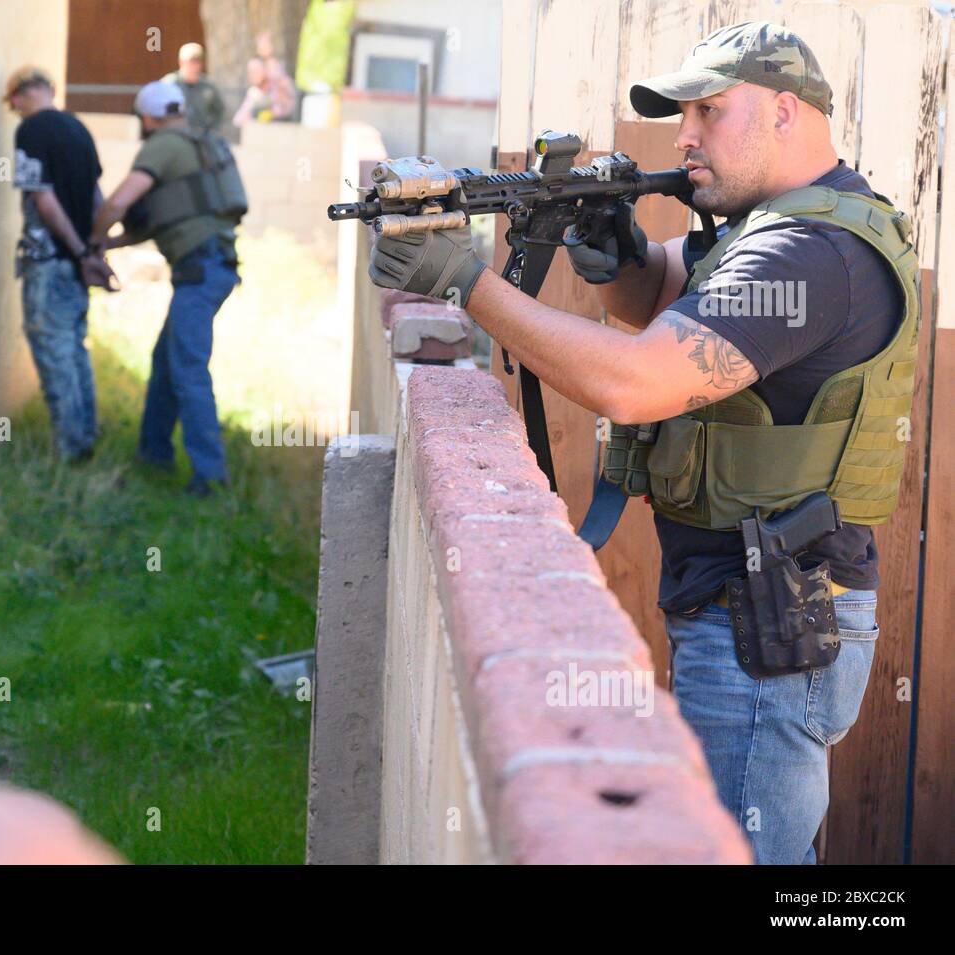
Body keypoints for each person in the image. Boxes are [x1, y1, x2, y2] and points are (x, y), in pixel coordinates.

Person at [365, 21, 917, 865]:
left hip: (768, 621)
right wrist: (618, 255)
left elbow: (639, 379)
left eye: (707, 112)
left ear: (782, 111)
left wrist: (462, 280)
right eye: (679, 115)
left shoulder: (808, 255)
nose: (684, 136)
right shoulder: (772, 226)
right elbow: (672, 299)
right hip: (749, 602)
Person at [88, 81, 245, 496]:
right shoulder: (199, 140)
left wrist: (91, 241)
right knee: (167, 361)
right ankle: (153, 455)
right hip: (214, 265)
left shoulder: (163, 144)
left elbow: (120, 203)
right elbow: (169, 217)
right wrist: (112, 242)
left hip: (200, 270)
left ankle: (210, 477)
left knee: (188, 369)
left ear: (148, 117)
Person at [5, 66, 113, 463]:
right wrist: (93, 250)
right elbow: (96, 195)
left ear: (17, 98)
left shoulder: (29, 131)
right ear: (51, 89)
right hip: (77, 265)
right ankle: (87, 432)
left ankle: (72, 450)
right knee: (74, 347)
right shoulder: (78, 128)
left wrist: (77, 250)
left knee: (53, 351)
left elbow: (43, 199)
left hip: (49, 263)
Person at [163, 41, 225, 134]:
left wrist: (212, 129)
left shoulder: (208, 86)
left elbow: (219, 110)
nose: (194, 66)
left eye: (197, 62)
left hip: (201, 135)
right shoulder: (170, 84)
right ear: (181, 62)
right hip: (175, 135)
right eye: (190, 62)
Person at [233, 56, 297, 126]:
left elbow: (289, 107)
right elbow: (238, 120)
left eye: (255, 71)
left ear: (265, 71)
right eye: (250, 72)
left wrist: (272, 113)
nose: (252, 76)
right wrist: (254, 114)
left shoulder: (278, 86)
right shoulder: (254, 93)